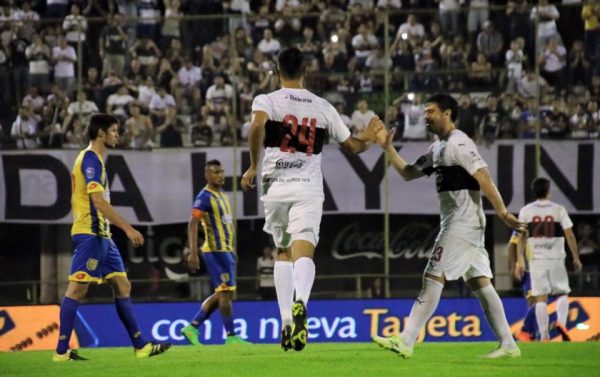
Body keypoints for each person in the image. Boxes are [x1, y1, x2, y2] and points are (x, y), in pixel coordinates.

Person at [241, 47, 383, 352]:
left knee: (282, 251)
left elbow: (256, 126)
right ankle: (301, 302)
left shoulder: (267, 100)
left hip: (276, 185)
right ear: (305, 71)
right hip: (308, 186)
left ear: (277, 72)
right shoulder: (322, 107)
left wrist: (254, 164)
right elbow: (354, 147)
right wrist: (371, 136)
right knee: (304, 247)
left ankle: (285, 323)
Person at [371, 93, 525, 359]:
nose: (425, 116)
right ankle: (509, 344)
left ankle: (406, 340)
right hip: (464, 222)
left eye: (430, 111)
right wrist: (388, 148)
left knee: (432, 274)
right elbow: (408, 173)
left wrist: (502, 210)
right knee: (481, 284)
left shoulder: (459, 143)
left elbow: (484, 176)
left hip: (461, 223)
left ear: (447, 114)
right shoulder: (438, 148)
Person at [53, 114, 171, 361]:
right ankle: (61, 352)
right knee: (76, 290)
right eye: (114, 130)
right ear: (101, 134)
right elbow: (98, 202)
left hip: (102, 236)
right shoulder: (90, 160)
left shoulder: (95, 160)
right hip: (90, 234)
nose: (118, 134)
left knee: (122, 284)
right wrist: (128, 229)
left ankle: (141, 346)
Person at [181, 160, 249, 345]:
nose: (220, 175)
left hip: (225, 250)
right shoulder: (204, 197)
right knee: (225, 292)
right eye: (216, 172)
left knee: (223, 292)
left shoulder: (223, 196)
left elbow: (226, 226)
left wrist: (232, 249)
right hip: (215, 250)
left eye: (222, 171)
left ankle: (192, 327)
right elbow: (193, 224)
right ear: (207, 175)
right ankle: (231, 336)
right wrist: (193, 252)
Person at [515, 177, 583, 341]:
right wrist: (576, 257)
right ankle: (561, 322)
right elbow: (569, 234)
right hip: (556, 258)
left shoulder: (526, 210)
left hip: (537, 259)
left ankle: (544, 336)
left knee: (540, 297)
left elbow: (520, 237)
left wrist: (520, 260)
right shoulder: (558, 209)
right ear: (548, 191)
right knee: (562, 293)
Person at [508, 231, 538, 341]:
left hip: (542, 268)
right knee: (536, 302)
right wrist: (513, 265)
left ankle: (531, 335)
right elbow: (512, 244)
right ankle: (526, 331)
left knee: (536, 303)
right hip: (529, 270)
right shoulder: (524, 223)